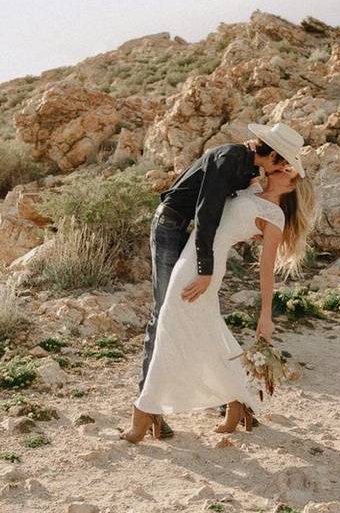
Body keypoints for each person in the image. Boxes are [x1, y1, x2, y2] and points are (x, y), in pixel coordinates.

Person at [124, 122, 315, 441]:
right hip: (185, 242)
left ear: (291, 186)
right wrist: (205, 267)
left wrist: (264, 314)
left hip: (200, 260)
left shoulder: (264, 198)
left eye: (288, 168)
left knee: (174, 322)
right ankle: (232, 402)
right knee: (189, 324)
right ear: (271, 152)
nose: (283, 167)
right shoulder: (234, 164)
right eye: (282, 161)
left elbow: (263, 263)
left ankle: (146, 412)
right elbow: (208, 212)